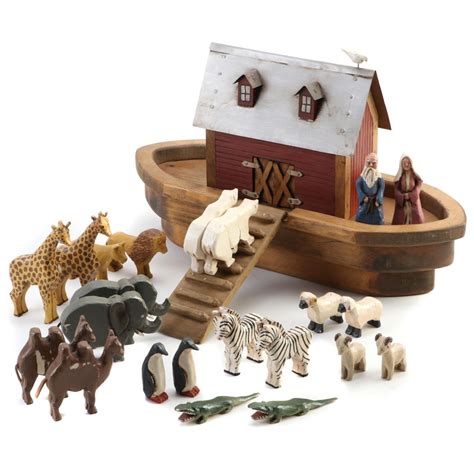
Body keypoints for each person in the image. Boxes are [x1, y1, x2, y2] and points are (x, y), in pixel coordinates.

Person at [392, 154, 425, 225]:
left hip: (413, 202)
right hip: (402, 202)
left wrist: (412, 195)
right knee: (400, 218)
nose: (406, 165)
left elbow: (418, 186)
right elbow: (396, 190)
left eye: (408, 163)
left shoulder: (415, 176)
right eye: (404, 163)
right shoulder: (399, 177)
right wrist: (402, 197)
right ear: (401, 164)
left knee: (415, 217)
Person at [355, 152, 384, 225]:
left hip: (375, 202)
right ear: (366, 163)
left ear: (377, 163)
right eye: (369, 163)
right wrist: (363, 197)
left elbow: (381, 189)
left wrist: (378, 200)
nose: (371, 165)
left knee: (378, 216)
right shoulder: (362, 177)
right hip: (366, 201)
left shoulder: (379, 178)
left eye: (373, 163)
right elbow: (358, 186)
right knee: (361, 214)